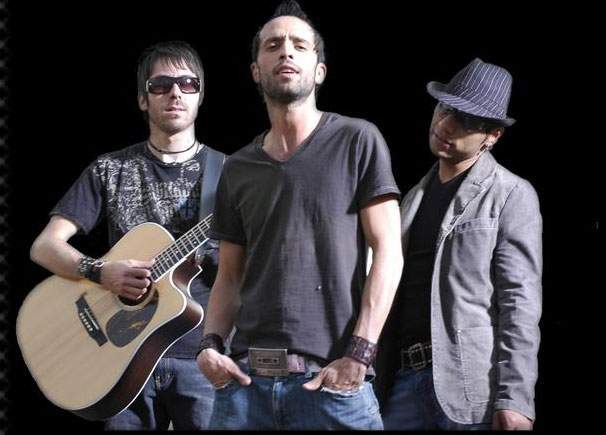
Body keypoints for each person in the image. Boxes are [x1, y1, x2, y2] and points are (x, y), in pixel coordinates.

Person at [195, 0, 403, 430]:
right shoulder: (238, 167)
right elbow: (229, 275)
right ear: (256, 71)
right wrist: (209, 346)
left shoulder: (358, 140)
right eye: (273, 45)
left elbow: (389, 253)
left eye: (299, 45)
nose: (286, 51)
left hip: (330, 385)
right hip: (245, 387)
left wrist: (361, 353)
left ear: (319, 70)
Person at [29, 40, 224, 430]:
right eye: (161, 85)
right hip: (122, 357)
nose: (175, 93)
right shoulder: (110, 169)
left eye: (188, 84)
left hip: (200, 356)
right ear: (142, 99)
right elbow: (44, 247)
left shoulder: (233, 176)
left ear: (200, 96)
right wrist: (101, 272)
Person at [377, 58, 542, 430]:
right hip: (403, 381)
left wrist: (515, 397)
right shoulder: (412, 199)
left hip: (470, 389)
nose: (445, 124)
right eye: (444, 109)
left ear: (492, 136)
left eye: (466, 120)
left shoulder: (511, 194)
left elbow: (519, 302)